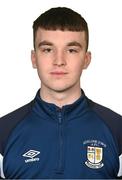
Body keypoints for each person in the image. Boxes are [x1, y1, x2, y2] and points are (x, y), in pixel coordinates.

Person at [0, 7, 122, 179]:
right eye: (48, 50)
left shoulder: (117, 129)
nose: (59, 61)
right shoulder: (4, 132)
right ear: (34, 58)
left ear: (86, 59)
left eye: (71, 50)